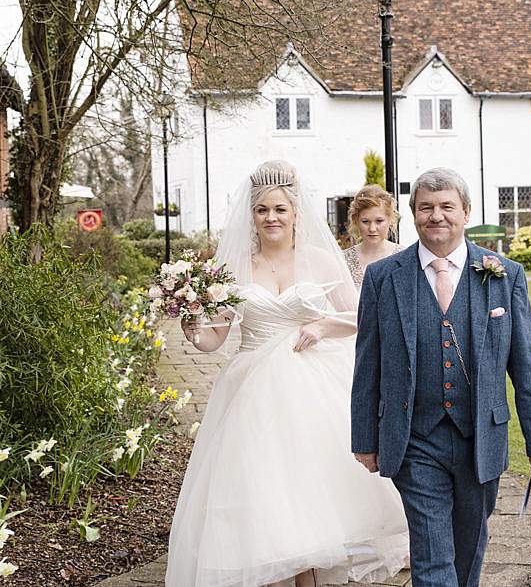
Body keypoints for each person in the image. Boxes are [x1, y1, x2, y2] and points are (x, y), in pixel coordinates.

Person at [166, 160, 408, 586]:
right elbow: (215, 339)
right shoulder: (231, 270)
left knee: (309, 494)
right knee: (265, 496)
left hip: (310, 390)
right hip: (251, 393)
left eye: (279, 209)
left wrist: (321, 326)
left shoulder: (319, 261)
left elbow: (362, 318)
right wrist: (193, 331)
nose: (271, 218)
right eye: (262, 210)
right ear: (251, 216)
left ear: (296, 213)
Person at [351, 167, 531, 587]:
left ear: (465, 212)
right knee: (431, 554)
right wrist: (364, 438)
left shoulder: (504, 274)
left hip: (480, 436)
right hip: (414, 438)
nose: (437, 215)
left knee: (469, 548)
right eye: (426, 207)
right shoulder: (384, 277)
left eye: (447, 206)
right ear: (412, 215)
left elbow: (527, 363)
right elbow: (367, 362)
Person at [342, 185, 406, 289]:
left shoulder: (404, 257)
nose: (372, 228)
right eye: (365, 221)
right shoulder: (343, 259)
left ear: (390, 220)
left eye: (379, 221)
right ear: (356, 221)